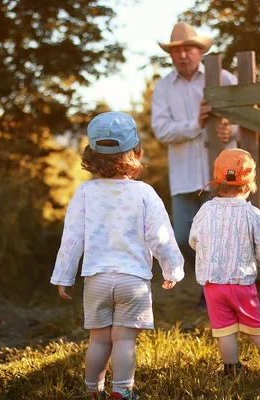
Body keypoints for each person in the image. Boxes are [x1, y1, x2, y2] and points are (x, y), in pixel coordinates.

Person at [50, 111, 185, 400]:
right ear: (136, 152)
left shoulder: (85, 192)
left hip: (97, 279)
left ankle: (92, 391)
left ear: (91, 155)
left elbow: (73, 239)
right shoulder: (145, 193)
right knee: (124, 339)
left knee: (98, 340)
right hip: (132, 281)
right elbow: (160, 235)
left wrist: (64, 275)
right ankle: (122, 392)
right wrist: (172, 268)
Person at [152, 22, 240, 308]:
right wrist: (196, 124)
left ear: (200, 51)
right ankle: (209, 284)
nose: (183, 55)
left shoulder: (224, 78)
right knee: (182, 236)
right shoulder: (163, 88)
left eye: (189, 48)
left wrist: (231, 130)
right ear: (171, 55)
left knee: (221, 234)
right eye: (176, 50)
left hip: (220, 174)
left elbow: (244, 118)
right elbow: (161, 130)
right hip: (183, 174)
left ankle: (214, 294)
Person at [188, 148, 260, 375]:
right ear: (250, 183)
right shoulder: (252, 213)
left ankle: (231, 369)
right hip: (241, 282)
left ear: (217, 180)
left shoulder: (205, 210)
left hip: (212, 284)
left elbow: (193, 240)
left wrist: (207, 252)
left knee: (224, 330)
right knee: (255, 326)